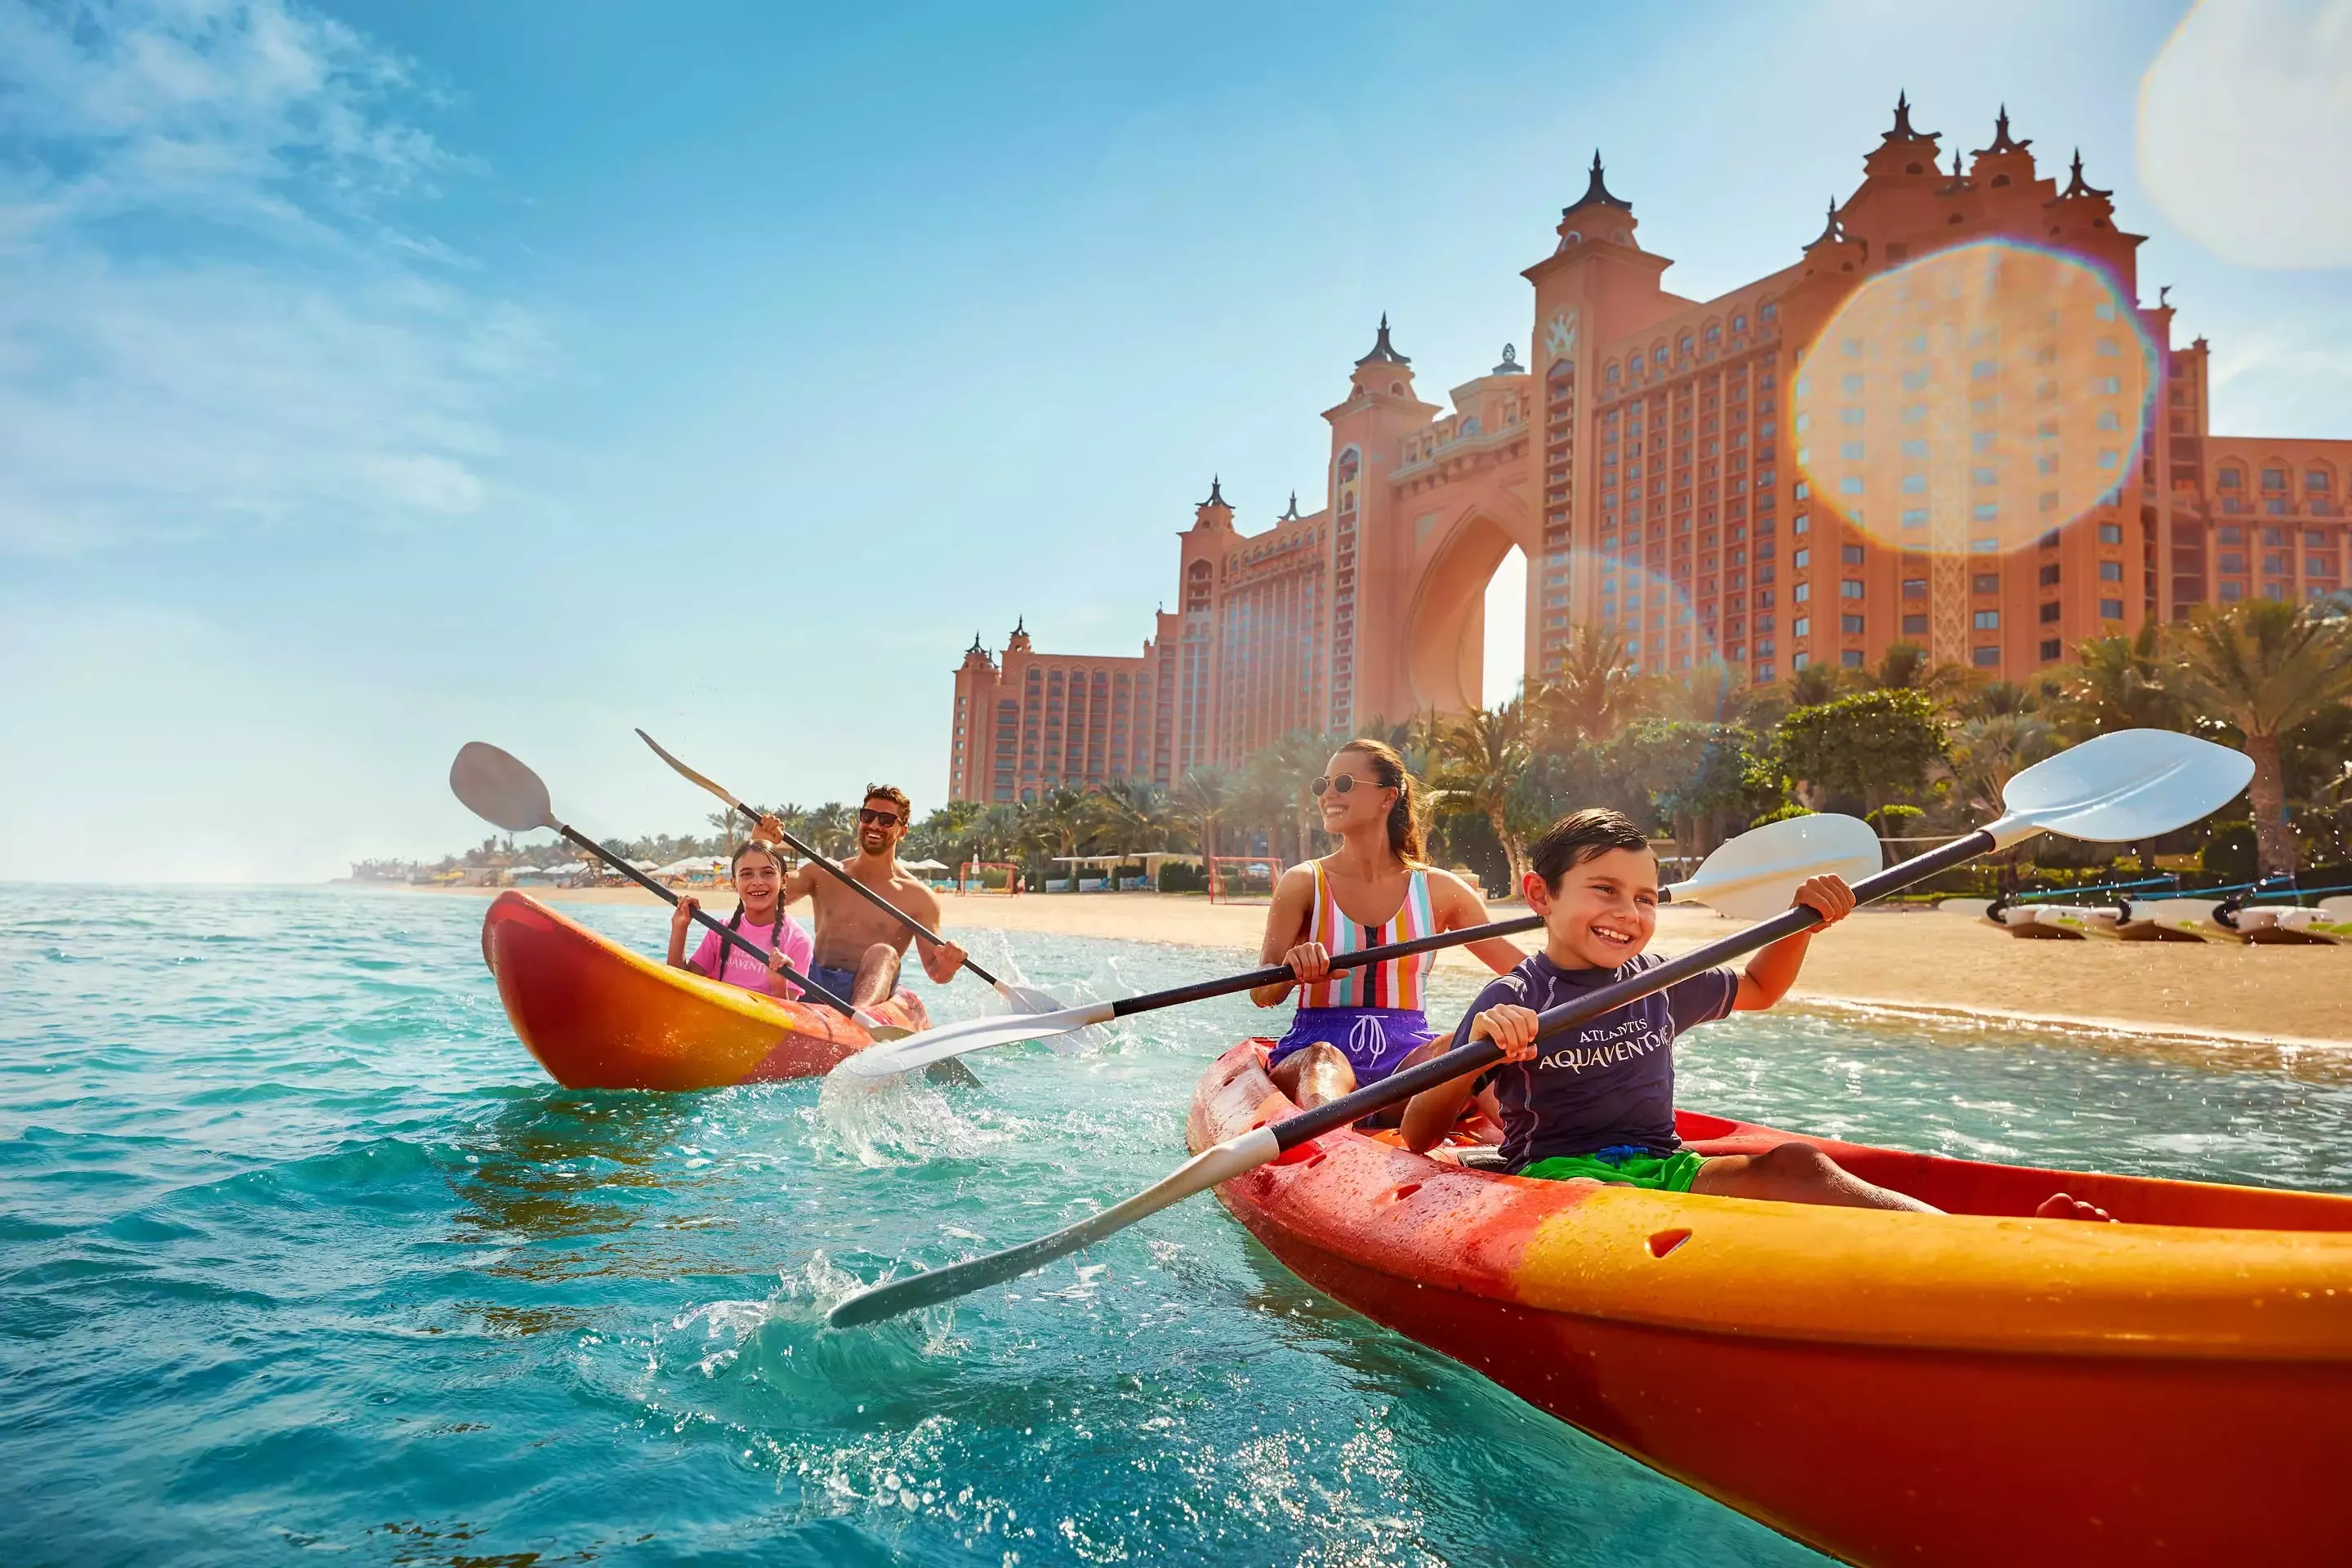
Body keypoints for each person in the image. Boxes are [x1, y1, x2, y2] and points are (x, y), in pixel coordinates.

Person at [1401, 808, 2111, 1221]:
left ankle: (1979, 1240)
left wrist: (1800, 923)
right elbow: (1419, 1134)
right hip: (1561, 1178)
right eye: (1604, 890)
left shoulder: (1660, 979)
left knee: (1801, 1165)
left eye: (1645, 897)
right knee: (1596, 1198)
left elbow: (1761, 988)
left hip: (1662, 1167)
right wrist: (1484, 1051)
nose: (1627, 913)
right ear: (1540, 895)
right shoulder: (1512, 999)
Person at [1252, 737, 1528, 1110]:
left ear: (1387, 797)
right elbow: (1261, 993)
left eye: (1344, 783)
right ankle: (1330, 1151)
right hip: (1315, 1049)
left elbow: (1524, 972)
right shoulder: (1303, 883)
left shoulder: (1440, 890)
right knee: (1323, 1060)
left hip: (1405, 1060)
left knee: (1460, 1048)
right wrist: (1291, 971)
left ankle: (1533, 1154)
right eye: (1324, 784)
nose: (1328, 794)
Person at [763, 785, 968, 1013]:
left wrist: (948, 965)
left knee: (885, 952)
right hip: (814, 979)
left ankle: (857, 1018)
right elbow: (767, 894)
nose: (875, 825)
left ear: (903, 831)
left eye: (887, 820)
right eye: (868, 816)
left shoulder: (918, 897)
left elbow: (936, 972)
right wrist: (763, 845)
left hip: (866, 991)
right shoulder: (825, 872)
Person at [666, 837, 816, 1000]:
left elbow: (788, 1017)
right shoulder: (721, 930)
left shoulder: (799, 941)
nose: (758, 882)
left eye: (768, 873)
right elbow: (678, 986)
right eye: (746, 874)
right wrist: (680, 927)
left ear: (784, 881)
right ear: (734, 883)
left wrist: (779, 985)